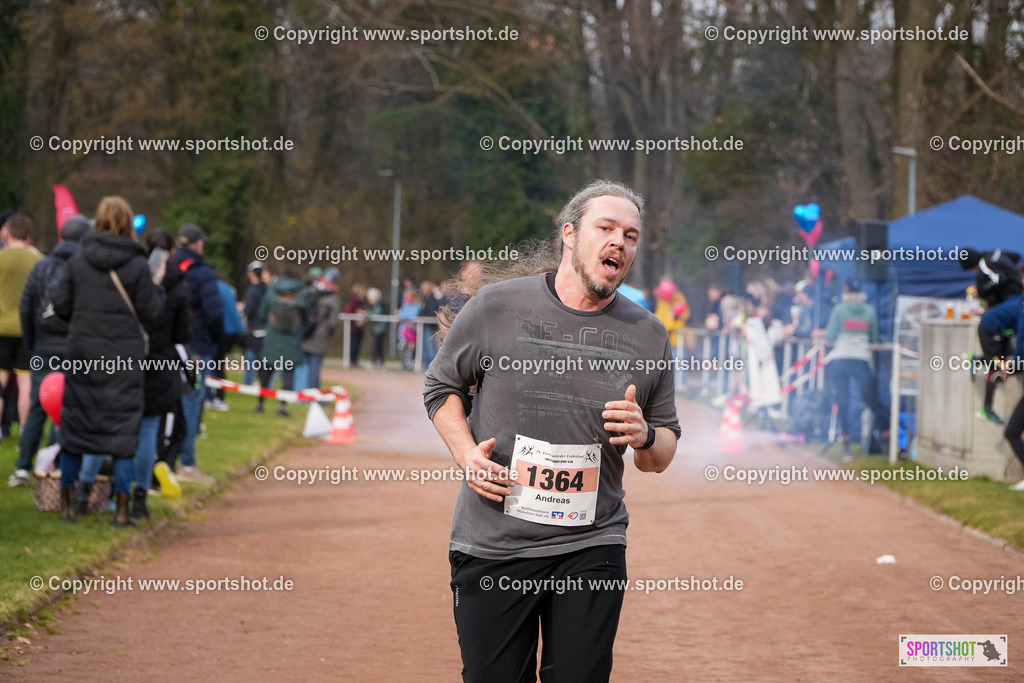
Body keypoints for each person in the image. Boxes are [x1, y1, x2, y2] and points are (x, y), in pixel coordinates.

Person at [423, 180, 680, 681]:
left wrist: (646, 435)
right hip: (495, 543)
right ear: (569, 234)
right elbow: (441, 387)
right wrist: (467, 454)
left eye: (630, 235)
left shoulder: (648, 334)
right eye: (605, 228)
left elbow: (661, 451)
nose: (619, 242)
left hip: (592, 542)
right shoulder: (496, 306)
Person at [51, 196, 164, 525]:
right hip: (124, 360)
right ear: (129, 222)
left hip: (83, 355)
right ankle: (123, 511)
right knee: (123, 436)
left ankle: (69, 507)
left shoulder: (78, 259)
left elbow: (58, 305)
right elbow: (152, 314)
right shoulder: (138, 264)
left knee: (75, 432)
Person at [7, 215, 88, 487]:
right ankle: (52, 462)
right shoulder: (85, 268)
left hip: (43, 346)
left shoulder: (41, 267)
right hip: (73, 348)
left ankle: (22, 466)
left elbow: (27, 307)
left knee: (38, 407)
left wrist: (32, 345)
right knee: (65, 408)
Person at [133, 230, 191, 518]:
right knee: (149, 430)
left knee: (122, 428)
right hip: (161, 362)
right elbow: (183, 333)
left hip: (130, 360)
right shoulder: (179, 289)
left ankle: (110, 491)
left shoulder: (135, 279)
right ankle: (141, 494)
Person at [170, 223, 222, 483]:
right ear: (198, 244)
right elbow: (214, 313)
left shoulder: (165, 264)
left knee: (168, 404)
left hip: (168, 344)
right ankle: (187, 463)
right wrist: (214, 341)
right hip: (197, 346)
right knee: (191, 402)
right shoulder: (202, 273)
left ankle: (166, 460)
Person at [818, 279, 889, 461]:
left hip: (840, 360)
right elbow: (873, 337)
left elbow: (830, 335)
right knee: (872, 401)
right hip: (861, 360)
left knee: (843, 402)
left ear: (845, 292)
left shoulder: (840, 310)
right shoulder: (870, 311)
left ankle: (847, 448)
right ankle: (889, 442)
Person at [0, 213, 43, 437]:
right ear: (27, 234)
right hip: (28, 328)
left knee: (1, 379)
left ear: (7, 231)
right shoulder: (38, 260)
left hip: (1, 327)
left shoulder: (1, 258)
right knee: (25, 381)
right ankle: (26, 431)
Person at [256, 268, 305, 416]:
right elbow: (307, 315)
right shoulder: (301, 292)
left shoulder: (272, 290)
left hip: (272, 337)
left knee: (266, 372)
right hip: (292, 339)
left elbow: (261, 313)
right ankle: (282, 407)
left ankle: (260, 404)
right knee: (288, 373)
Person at [301, 267, 342, 390]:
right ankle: (313, 395)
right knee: (315, 367)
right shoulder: (334, 297)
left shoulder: (311, 290)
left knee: (303, 367)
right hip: (320, 336)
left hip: (306, 332)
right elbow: (333, 322)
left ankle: (301, 394)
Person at [210, 272, 243, 411]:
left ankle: (218, 397)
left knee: (216, 364)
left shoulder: (213, 288)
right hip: (233, 330)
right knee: (219, 364)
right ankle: (217, 396)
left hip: (223, 330)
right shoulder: (227, 288)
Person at [241, 260, 268, 385]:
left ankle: (248, 382)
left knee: (251, 357)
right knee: (265, 359)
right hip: (265, 328)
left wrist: (243, 308)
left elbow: (249, 310)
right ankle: (266, 383)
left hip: (254, 329)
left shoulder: (253, 290)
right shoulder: (267, 289)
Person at [418, 280, 443, 369]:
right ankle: (427, 365)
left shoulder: (432, 299)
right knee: (425, 347)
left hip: (431, 326)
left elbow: (433, 311)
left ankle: (431, 367)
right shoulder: (425, 299)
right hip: (426, 326)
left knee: (430, 347)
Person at [343, 284, 366, 367]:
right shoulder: (354, 301)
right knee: (354, 344)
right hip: (354, 327)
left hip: (359, 327)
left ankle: (354, 360)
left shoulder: (362, 301)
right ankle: (352, 360)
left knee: (357, 344)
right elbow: (349, 311)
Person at [364, 287, 388, 367]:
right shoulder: (375, 306)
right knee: (377, 345)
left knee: (377, 345)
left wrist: (366, 313)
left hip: (380, 329)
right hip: (376, 329)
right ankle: (379, 361)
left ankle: (376, 361)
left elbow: (374, 314)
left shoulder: (380, 305)